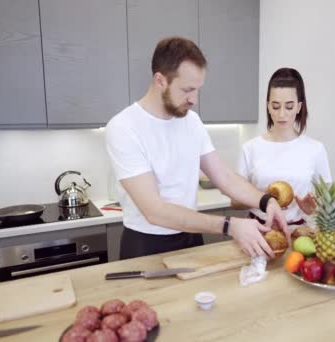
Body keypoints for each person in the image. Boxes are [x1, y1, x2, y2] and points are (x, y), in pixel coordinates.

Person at [105, 37, 286, 260]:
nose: (194, 100)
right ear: (160, 81)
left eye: (198, 90)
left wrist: (266, 201)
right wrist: (230, 225)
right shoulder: (124, 127)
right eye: (187, 90)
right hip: (146, 244)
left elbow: (226, 178)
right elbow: (155, 211)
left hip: (191, 237)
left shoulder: (192, 121)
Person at [233, 68, 332, 231]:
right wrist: (261, 196)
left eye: (289, 106)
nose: (281, 114)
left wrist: (313, 209)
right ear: (268, 107)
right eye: (276, 106)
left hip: (298, 233)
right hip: (257, 230)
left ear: (299, 107)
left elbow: (328, 201)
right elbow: (235, 202)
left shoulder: (315, 149)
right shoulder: (250, 148)